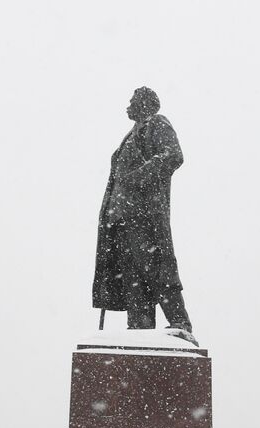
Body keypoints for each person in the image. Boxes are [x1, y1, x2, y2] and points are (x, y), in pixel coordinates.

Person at [91, 86, 195, 340]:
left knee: (155, 268)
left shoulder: (157, 124)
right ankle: (140, 331)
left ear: (145, 104)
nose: (127, 104)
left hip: (143, 215)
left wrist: (137, 177)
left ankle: (180, 322)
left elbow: (173, 156)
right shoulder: (130, 134)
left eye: (132, 100)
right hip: (121, 218)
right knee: (133, 279)